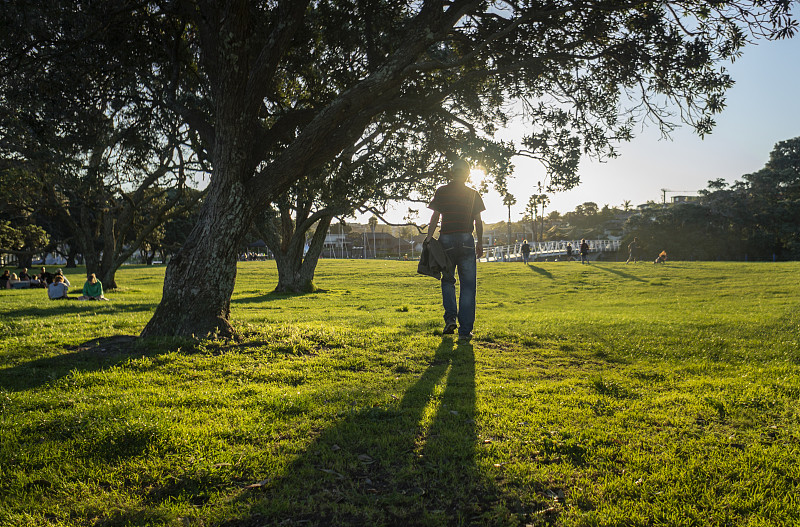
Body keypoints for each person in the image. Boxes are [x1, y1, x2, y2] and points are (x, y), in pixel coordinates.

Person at [425, 159, 485, 341]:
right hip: (466, 240)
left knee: (448, 281)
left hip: (446, 240)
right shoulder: (473, 193)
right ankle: (465, 331)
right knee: (468, 286)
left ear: (452, 173)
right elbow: (478, 221)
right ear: (467, 174)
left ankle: (450, 319)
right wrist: (480, 242)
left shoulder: (442, 191)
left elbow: (435, 216)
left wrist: (429, 238)